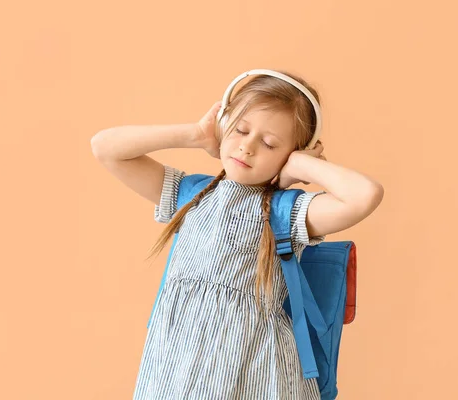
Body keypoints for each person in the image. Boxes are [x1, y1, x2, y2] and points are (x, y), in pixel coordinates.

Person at [91, 70, 384, 399]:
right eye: (240, 129)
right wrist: (197, 134)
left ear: (291, 153)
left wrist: (302, 166)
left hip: (252, 372)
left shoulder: (286, 212)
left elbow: (365, 194)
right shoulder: (191, 196)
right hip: (175, 367)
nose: (246, 147)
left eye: (270, 143)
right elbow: (105, 147)